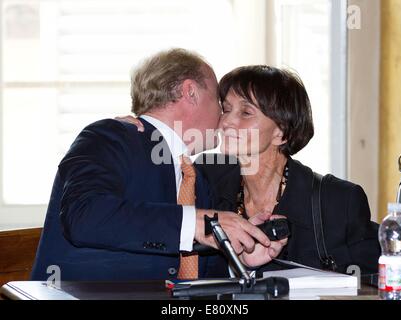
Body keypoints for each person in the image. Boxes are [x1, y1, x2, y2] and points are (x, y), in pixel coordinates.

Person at [31, 49, 273, 281]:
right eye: (219, 102)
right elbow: (84, 215)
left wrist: (238, 257)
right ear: (190, 92)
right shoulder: (110, 137)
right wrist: (193, 223)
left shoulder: (198, 180)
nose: (223, 117)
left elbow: (199, 272)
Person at [125, 65, 381, 276]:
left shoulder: (338, 200)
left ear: (281, 132)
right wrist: (141, 133)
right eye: (226, 109)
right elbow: (145, 208)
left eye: (246, 112)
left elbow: (373, 287)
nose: (226, 122)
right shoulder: (205, 176)